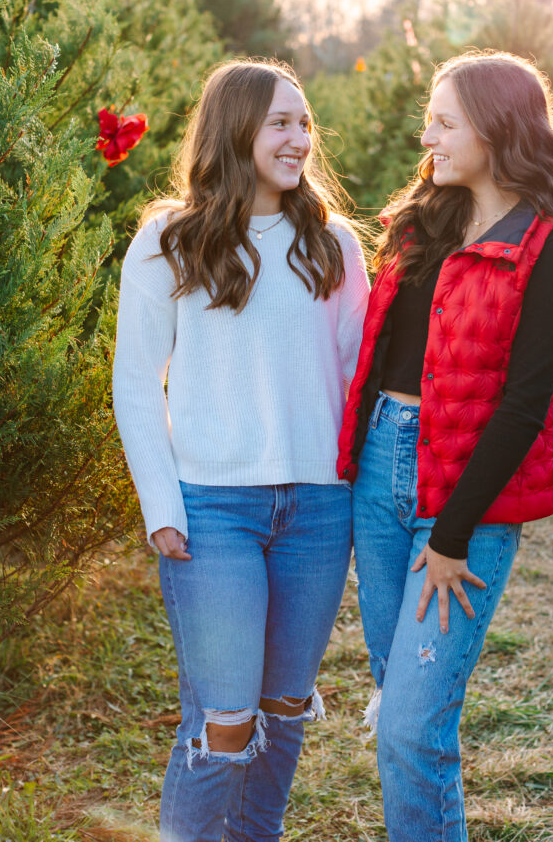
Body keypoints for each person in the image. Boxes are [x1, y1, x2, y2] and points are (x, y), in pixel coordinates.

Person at [337, 51, 553, 841]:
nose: (426, 133)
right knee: (404, 709)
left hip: (464, 496)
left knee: (406, 728)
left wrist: (453, 533)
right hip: (380, 472)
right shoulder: (422, 220)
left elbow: (526, 403)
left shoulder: (550, 243)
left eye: (445, 120)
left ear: (497, 131)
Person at [112, 59, 369, 842]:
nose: (299, 139)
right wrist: (162, 504)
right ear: (236, 128)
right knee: (225, 715)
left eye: (304, 123)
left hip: (318, 511)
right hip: (212, 510)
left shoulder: (331, 243)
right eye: (280, 123)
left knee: (284, 704)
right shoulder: (169, 240)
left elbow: (358, 375)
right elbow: (133, 381)